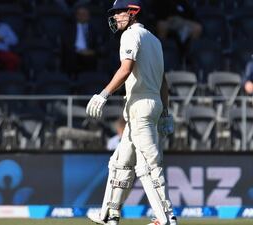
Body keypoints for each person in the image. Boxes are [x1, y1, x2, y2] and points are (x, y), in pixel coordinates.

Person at [85, 1, 177, 225]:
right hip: (149, 104)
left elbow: (125, 69)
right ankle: (110, 215)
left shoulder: (130, 35)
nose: (116, 17)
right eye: (114, 13)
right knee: (120, 163)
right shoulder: (154, 40)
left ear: (132, 12)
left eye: (119, 12)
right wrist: (164, 111)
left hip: (140, 107)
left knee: (147, 165)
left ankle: (166, 217)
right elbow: (163, 81)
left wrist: (103, 94)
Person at [62, 5, 99, 77]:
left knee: (93, 58)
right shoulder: (69, 28)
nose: (83, 16)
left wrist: (92, 51)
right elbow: (66, 43)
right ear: (76, 15)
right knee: (70, 57)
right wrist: (78, 51)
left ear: (89, 16)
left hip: (88, 54)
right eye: (80, 14)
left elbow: (97, 43)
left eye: (85, 14)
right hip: (73, 53)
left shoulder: (93, 29)